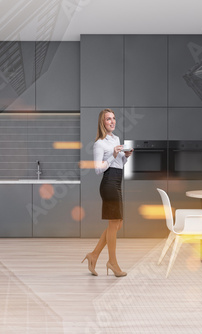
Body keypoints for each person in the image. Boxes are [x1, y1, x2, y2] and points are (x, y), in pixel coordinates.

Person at [82, 108, 133, 277]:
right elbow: (98, 169)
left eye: (113, 118)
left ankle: (94, 255)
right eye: (108, 119)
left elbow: (120, 164)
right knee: (114, 223)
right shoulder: (99, 143)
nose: (112, 121)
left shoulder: (116, 139)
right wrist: (112, 155)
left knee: (118, 224)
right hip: (109, 183)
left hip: (117, 181)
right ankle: (112, 262)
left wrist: (126, 156)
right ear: (102, 123)